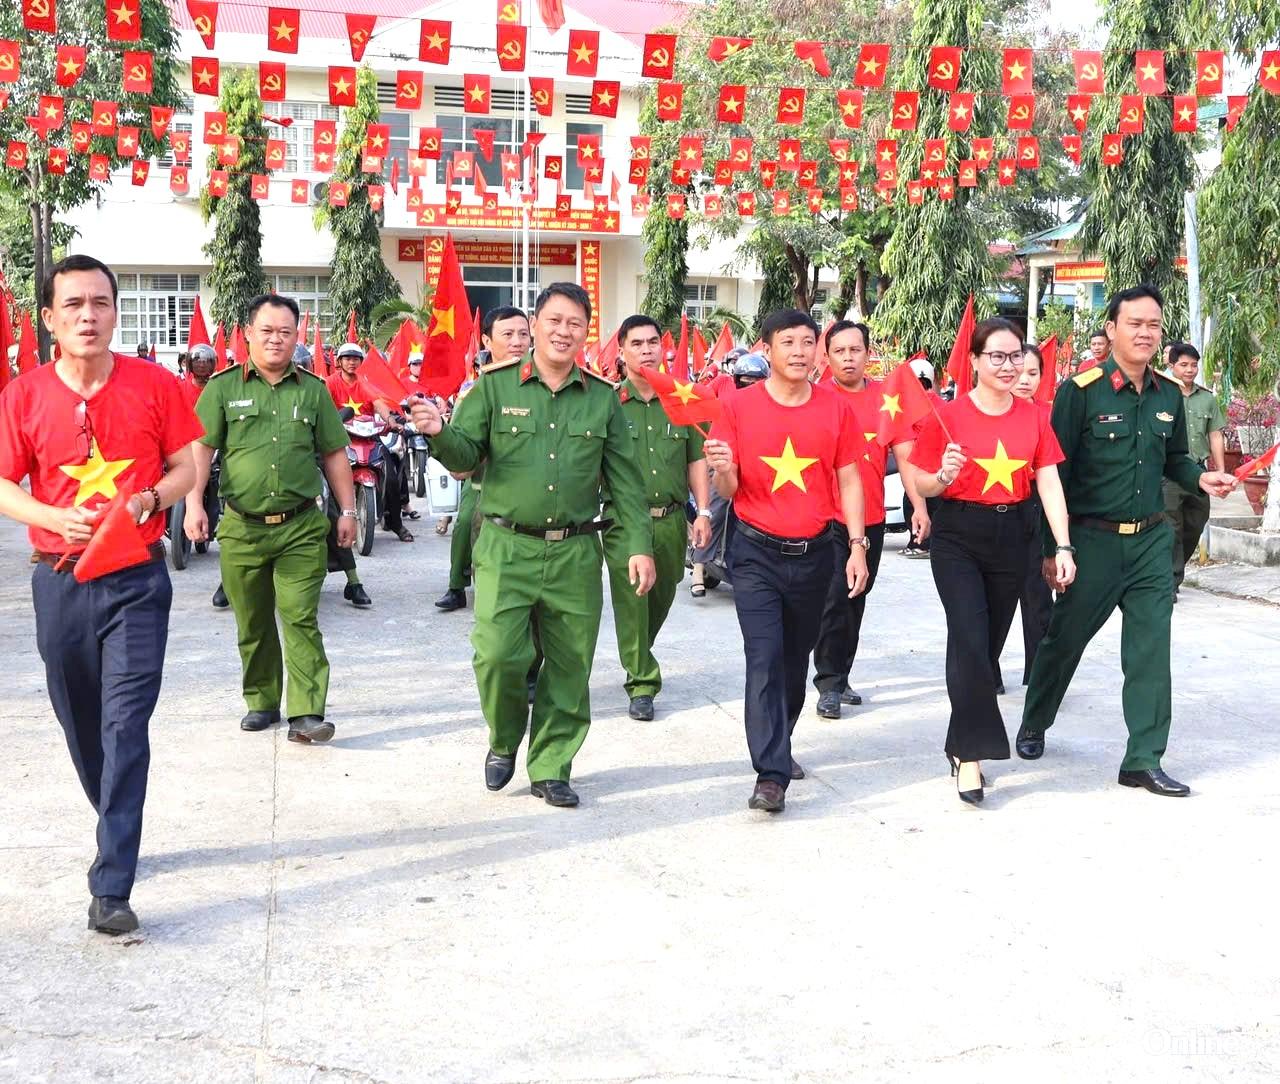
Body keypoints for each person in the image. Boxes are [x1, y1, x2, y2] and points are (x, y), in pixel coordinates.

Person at [0, 254, 200, 934]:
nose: (89, 315)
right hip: (59, 581)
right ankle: (116, 816)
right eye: (75, 305)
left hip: (137, 580)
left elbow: (186, 465)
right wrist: (53, 517)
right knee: (80, 721)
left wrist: (152, 497)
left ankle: (112, 881)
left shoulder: (154, 384)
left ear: (116, 313)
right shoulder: (24, 396)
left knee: (125, 726)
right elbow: (3, 482)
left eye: (101, 303)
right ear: (50, 318)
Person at [410, 283, 656, 809]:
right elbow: (466, 455)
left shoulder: (601, 400)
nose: (564, 332)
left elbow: (626, 484)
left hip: (575, 552)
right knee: (498, 655)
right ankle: (503, 738)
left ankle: (551, 766)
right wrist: (437, 432)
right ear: (536, 324)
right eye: (554, 321)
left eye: (575, 324)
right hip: (506, 546)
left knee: (570, 665)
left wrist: (638, 544)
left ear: (587, 334)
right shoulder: (495, 388)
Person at [1017, 285, 1239, 796]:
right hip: (1091, 542)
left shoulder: (1166, 393)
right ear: (1112, 328)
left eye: (1153, 325)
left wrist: (1200, 477)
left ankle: (1142, 758)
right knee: (1064, 639)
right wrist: (1055, 549)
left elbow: (1177, 459)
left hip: (1149, 544)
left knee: (1149, 651)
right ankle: (1035, 720)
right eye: (1134, 323)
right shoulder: (1081, 391)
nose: (1145, 332)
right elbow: (1054, 474)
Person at [703, 309, 870, 813]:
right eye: (787, 342)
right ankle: (770, 774)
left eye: (806, 342)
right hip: (754, 551)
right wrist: (725, 471)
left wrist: (857, 545)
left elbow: (849, 479)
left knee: (795, 662)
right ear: (766, 349)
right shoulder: (735, 406)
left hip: (816, 551)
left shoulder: (835, 409)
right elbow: (727, 490)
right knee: (765, 657)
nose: (798, 351)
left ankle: (780, 740)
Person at [911, 323, 1073, 805]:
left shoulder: (1034, 418)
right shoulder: (947, 415)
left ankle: (958, 742)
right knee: (968, 636)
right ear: (975, 361)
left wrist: (1062, 546)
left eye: (1015, 357)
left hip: (1015, 537)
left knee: (983, 650)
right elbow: (921, 482)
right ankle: (973, 758)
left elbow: (1048, 483)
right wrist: (943, 475)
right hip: (959, 535)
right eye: (997, 357)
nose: (1009, 366)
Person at [186, 293, 356, 744]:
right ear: (248, 334)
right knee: (253, 619)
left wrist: (350, 510)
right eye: (267, 331)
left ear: (296, 336)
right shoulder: (223, 388)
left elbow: (334, 454)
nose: (276, 340)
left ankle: (306, 713)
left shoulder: (314, 391)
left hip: (301, 526)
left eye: (285, 332)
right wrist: (194, 504)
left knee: (300, 617)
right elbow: (201, 449)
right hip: (242, 528)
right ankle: (262, 700)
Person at [812, 320, 929, 718]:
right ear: (826, 356)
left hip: (873, 518)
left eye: (855, 350)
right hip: (825, 518)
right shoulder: (815, 398)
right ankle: (827, 682)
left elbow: (907, 455)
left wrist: (920, 506)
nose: (848, 358)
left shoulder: (886, 400)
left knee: (855, 598)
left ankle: (840, 675)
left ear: (867, 354)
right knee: (832, 599)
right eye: (839, 351)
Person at [605, 314, 712, 721]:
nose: (647, 350)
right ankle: (642, 682)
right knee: (633, 599)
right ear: (623, 351)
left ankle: (636, 651)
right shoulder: (608, 403)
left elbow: (696, 459)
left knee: (662, 596)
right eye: (637, 343)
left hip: (670, 519)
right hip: (622, 520)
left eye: (653, 342)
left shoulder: (681, 401)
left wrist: (702, 511)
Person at [435, 307, 531, 612]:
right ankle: (457, 584)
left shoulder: (542, 386)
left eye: (523, 334)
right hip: (482, 482)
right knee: (465, 522)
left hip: (527, 485)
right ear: (487, 342)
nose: (517, 341)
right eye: (507, 334)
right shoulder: (473, 390)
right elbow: (461, 457)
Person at [989, 343, 1056, 690]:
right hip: (998, 510)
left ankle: (1040, 674)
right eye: (1020, 371)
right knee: (995, 597)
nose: (1025, 379)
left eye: (1033, 373)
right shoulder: (988, 413)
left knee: (1038, 597)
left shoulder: (1050, 415)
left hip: (1039, 509)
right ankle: (988, 670)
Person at [690, 351, 768, 596]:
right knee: (716, 508)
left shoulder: (771, 405)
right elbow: (700, 399)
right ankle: (698, 568)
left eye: (756, 382)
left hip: (757, 468)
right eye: (745, 381)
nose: (750, 387)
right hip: (724, 463)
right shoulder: (725, 392)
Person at [327, 341, 414, 543]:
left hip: (368, 437)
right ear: (339, 362)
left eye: (356, 359)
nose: (351, 362)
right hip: (340, 438)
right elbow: (322, 406)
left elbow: (379, 403)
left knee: (391, 474)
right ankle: (327, 521)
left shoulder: (364, 382)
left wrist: (391, 421)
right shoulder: (330, 383)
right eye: (347, 358)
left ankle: (396, 523)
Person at [1162, 342, 1225, 600]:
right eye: (1184, 365)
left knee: (1195, 523)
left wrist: (1220, 470)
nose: (1190, 370)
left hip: (1200, 474)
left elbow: (1216, 435)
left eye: (1194, 365)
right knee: (1171, 527)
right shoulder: (1162, 395)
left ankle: (1174, 571)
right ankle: (1170, 581)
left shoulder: (1207, 398)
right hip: (1169, 475)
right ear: (1171, 366)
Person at [900, 355, 941, 558]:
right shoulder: (943, 405)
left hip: (916, 465)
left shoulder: (908, 407)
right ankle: (921, 541)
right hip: (938, 468)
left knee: (912, 502)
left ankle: (920, 542)